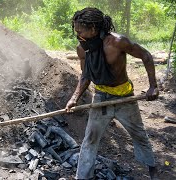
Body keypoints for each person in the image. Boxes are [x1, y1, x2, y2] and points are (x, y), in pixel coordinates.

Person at [65, 7, 159, 180]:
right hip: (101, 98)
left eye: (80, 31)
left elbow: (145, 55)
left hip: (125, 98)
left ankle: (152, 170)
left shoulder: (118, 42)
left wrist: (153, 86)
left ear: (93, 28)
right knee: (90, 139)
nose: (78, 35)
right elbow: (86, 76)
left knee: (139, 135)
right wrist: (74, 99)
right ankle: (83, 177)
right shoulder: (82, 49)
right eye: (76, 31)